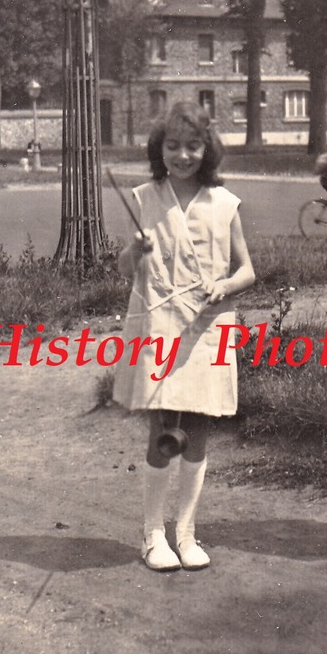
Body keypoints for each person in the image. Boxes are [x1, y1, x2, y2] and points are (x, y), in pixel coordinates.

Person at [113, 102, 256, 572]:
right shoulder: (145, 197)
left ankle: (186, 532)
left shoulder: (224, 203)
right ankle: (153, 535)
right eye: (172, 145)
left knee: (198, 428)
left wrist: (225, 286)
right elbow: (123, 270)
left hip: (206, 326)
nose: (183, 155)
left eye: (193, 145)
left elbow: (246, 271)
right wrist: (135, 249)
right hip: (158, 325)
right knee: (162, 430)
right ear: (160, 150)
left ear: (208, 149)